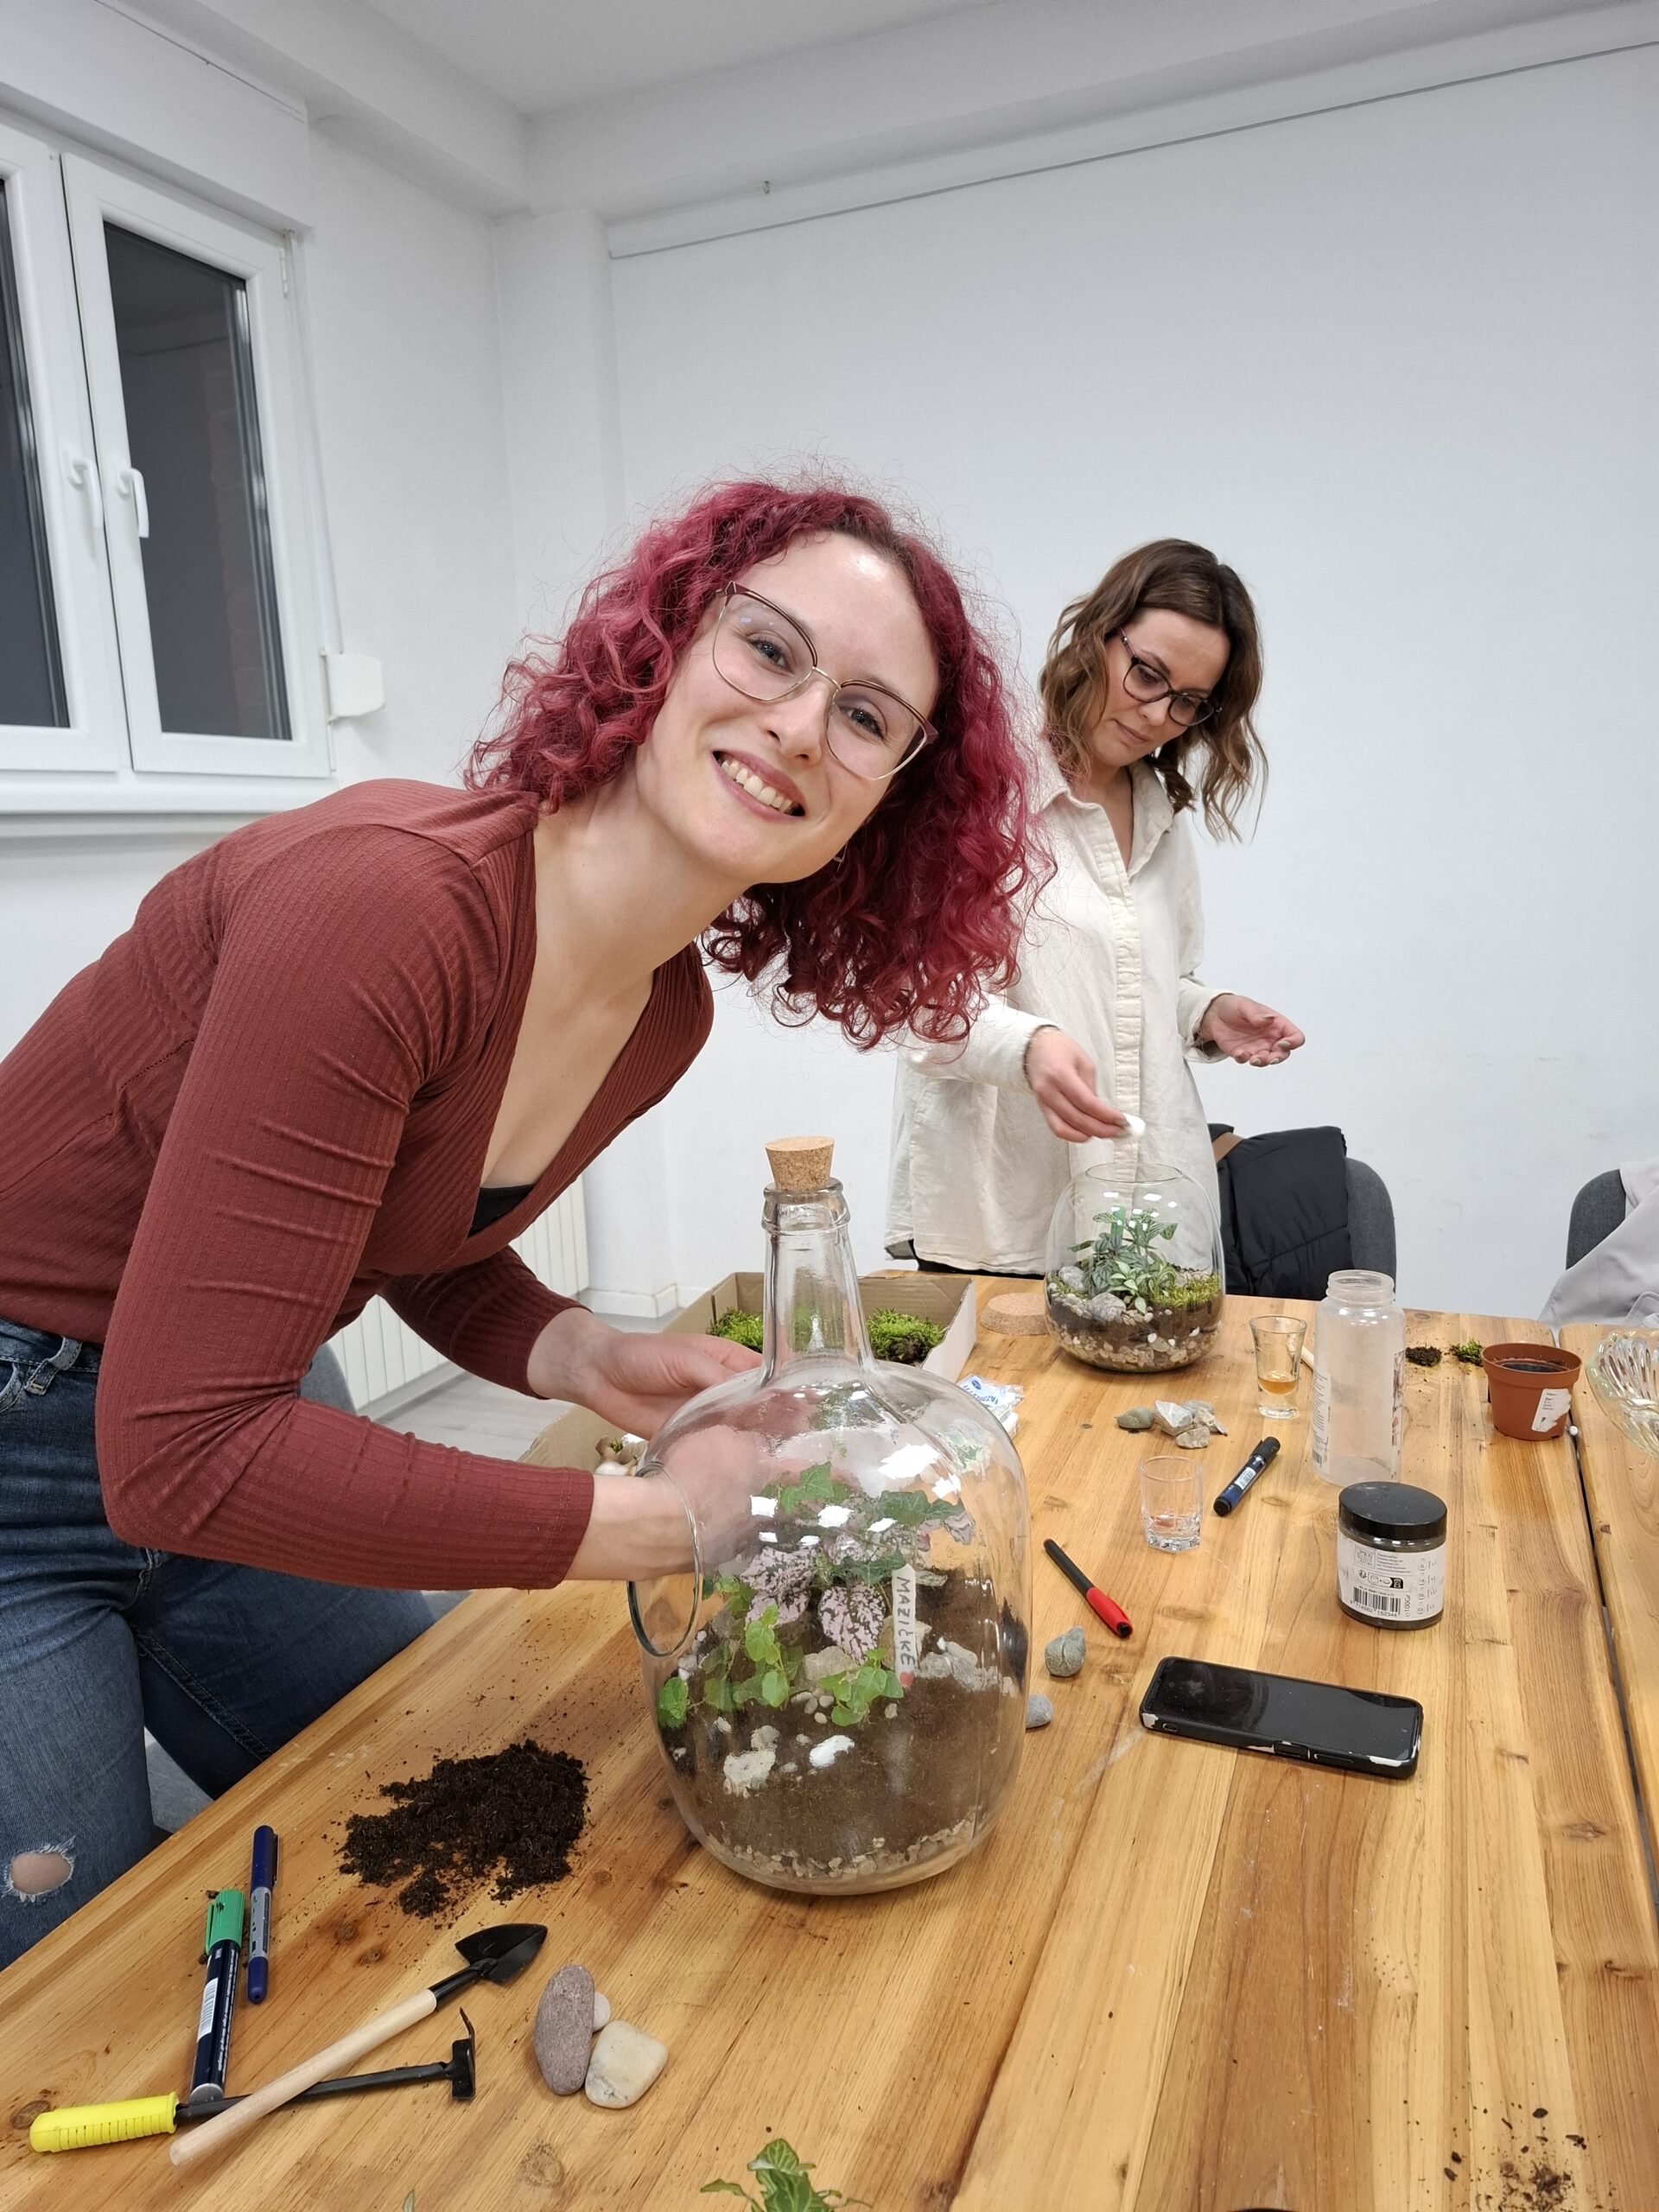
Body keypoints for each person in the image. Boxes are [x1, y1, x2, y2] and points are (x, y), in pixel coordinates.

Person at [0, 478, 1037, 1964]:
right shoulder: (384, 907)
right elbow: (179, 1454)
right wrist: (661, 1525)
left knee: (424, 1827)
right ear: (665, 643)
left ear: (887, 807)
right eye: (770, 650)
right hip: (58, 1440)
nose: (806, 726)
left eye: (868, 718)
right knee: (70, 1967)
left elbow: (400, 1224)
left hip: (235, 1405)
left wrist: (580, 1355)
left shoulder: (662, 1013)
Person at [887, 537, 1303, 1274]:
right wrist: (1030, 1047)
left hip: (1143, 1222)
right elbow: (920, 1003)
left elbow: (1142, 979)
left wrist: (1205, 1011)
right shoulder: (979, 785)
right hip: (1005, 1222)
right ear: (1100, 634)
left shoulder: (1161, 815)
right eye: (1147, 674)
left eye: (1188, 702)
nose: (1158, 714)